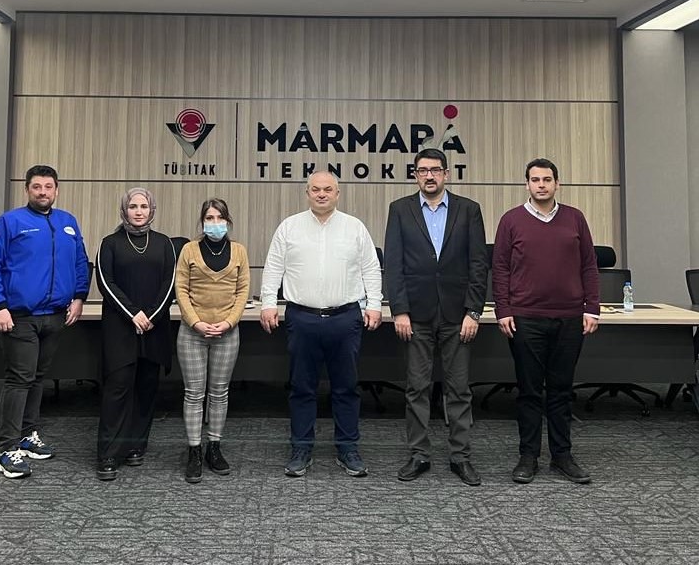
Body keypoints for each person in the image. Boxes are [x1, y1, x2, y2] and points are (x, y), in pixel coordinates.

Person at [259, 171, 382, 478]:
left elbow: (371, 268)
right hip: (302, 318)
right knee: (301, 388)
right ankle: (301, 449)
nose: (322, 194)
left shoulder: (354, 227)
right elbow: (273, 267)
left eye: (328, 189)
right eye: (316, 189)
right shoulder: (289, 227)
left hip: (345, 318)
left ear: (337, 194)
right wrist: (268, 303)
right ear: (307, 193)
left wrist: (375, 304)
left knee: (346, 388)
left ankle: (348, 449)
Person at [0, 164, 90, 479]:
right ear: (27, 189)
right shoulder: (9, 222)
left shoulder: (67, 222)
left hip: (55, 316)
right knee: (19, 379)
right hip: (19, 317)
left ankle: (28, 435)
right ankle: (8, 448)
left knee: (37, 377)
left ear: (56, 190)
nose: (43, 192)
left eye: (48, 187)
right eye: (37, 186)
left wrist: (79, 297)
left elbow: (80, 262)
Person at [384, 148, 488, 486]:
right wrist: (399, 310)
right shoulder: (399, 209)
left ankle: (461, 456)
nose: (429, 176)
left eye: (435, 170)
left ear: (446, 174)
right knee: (417, 388)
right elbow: (394, 265)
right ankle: (419, 454)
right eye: (423, 170)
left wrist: (474, 311)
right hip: (416, 315)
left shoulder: (469, 210)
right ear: (415, 174)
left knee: (459, 389)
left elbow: (478, 264)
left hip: (458, 315)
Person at [492, 158, 599, 485]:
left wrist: (592, 307)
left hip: (569, 318)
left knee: (561, 390)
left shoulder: (575, 218)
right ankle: (528, 456)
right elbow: (500, 268)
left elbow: (589, 265)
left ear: (557, 183)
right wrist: (503, 309)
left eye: (547, 179)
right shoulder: (511, 220)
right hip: (525, 319)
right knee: (528, 391)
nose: (541, 185)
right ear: (527, 184)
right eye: (535, 180)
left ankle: (562, 456)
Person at [94, 188, 176, 481]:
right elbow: (106, 282)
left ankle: (135, 446)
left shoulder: (164, 243)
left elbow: (170, 283)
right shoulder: (110, 243)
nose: (138, 211)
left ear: (152, 210)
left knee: (146, 388)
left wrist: (150, 315)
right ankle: (108, 454)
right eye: (133, 206)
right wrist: (133, 314)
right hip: (121, 327)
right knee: (118, 388)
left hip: (154, 327)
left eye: (144, 206)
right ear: (124, 210)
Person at [175, 199, 250, 483]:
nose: (215, 222)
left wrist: (228, 322)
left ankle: (214, 448)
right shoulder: (189, 250)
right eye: (209, 217)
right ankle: (194, 450)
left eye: (220, 218)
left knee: (219, 393)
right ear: (202, 221)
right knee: (194, 394)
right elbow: (181, 289)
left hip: (227, 333)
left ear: (228, 221)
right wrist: (196, 322)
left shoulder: (239, 251)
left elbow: (243, 291)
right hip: (192, 332)